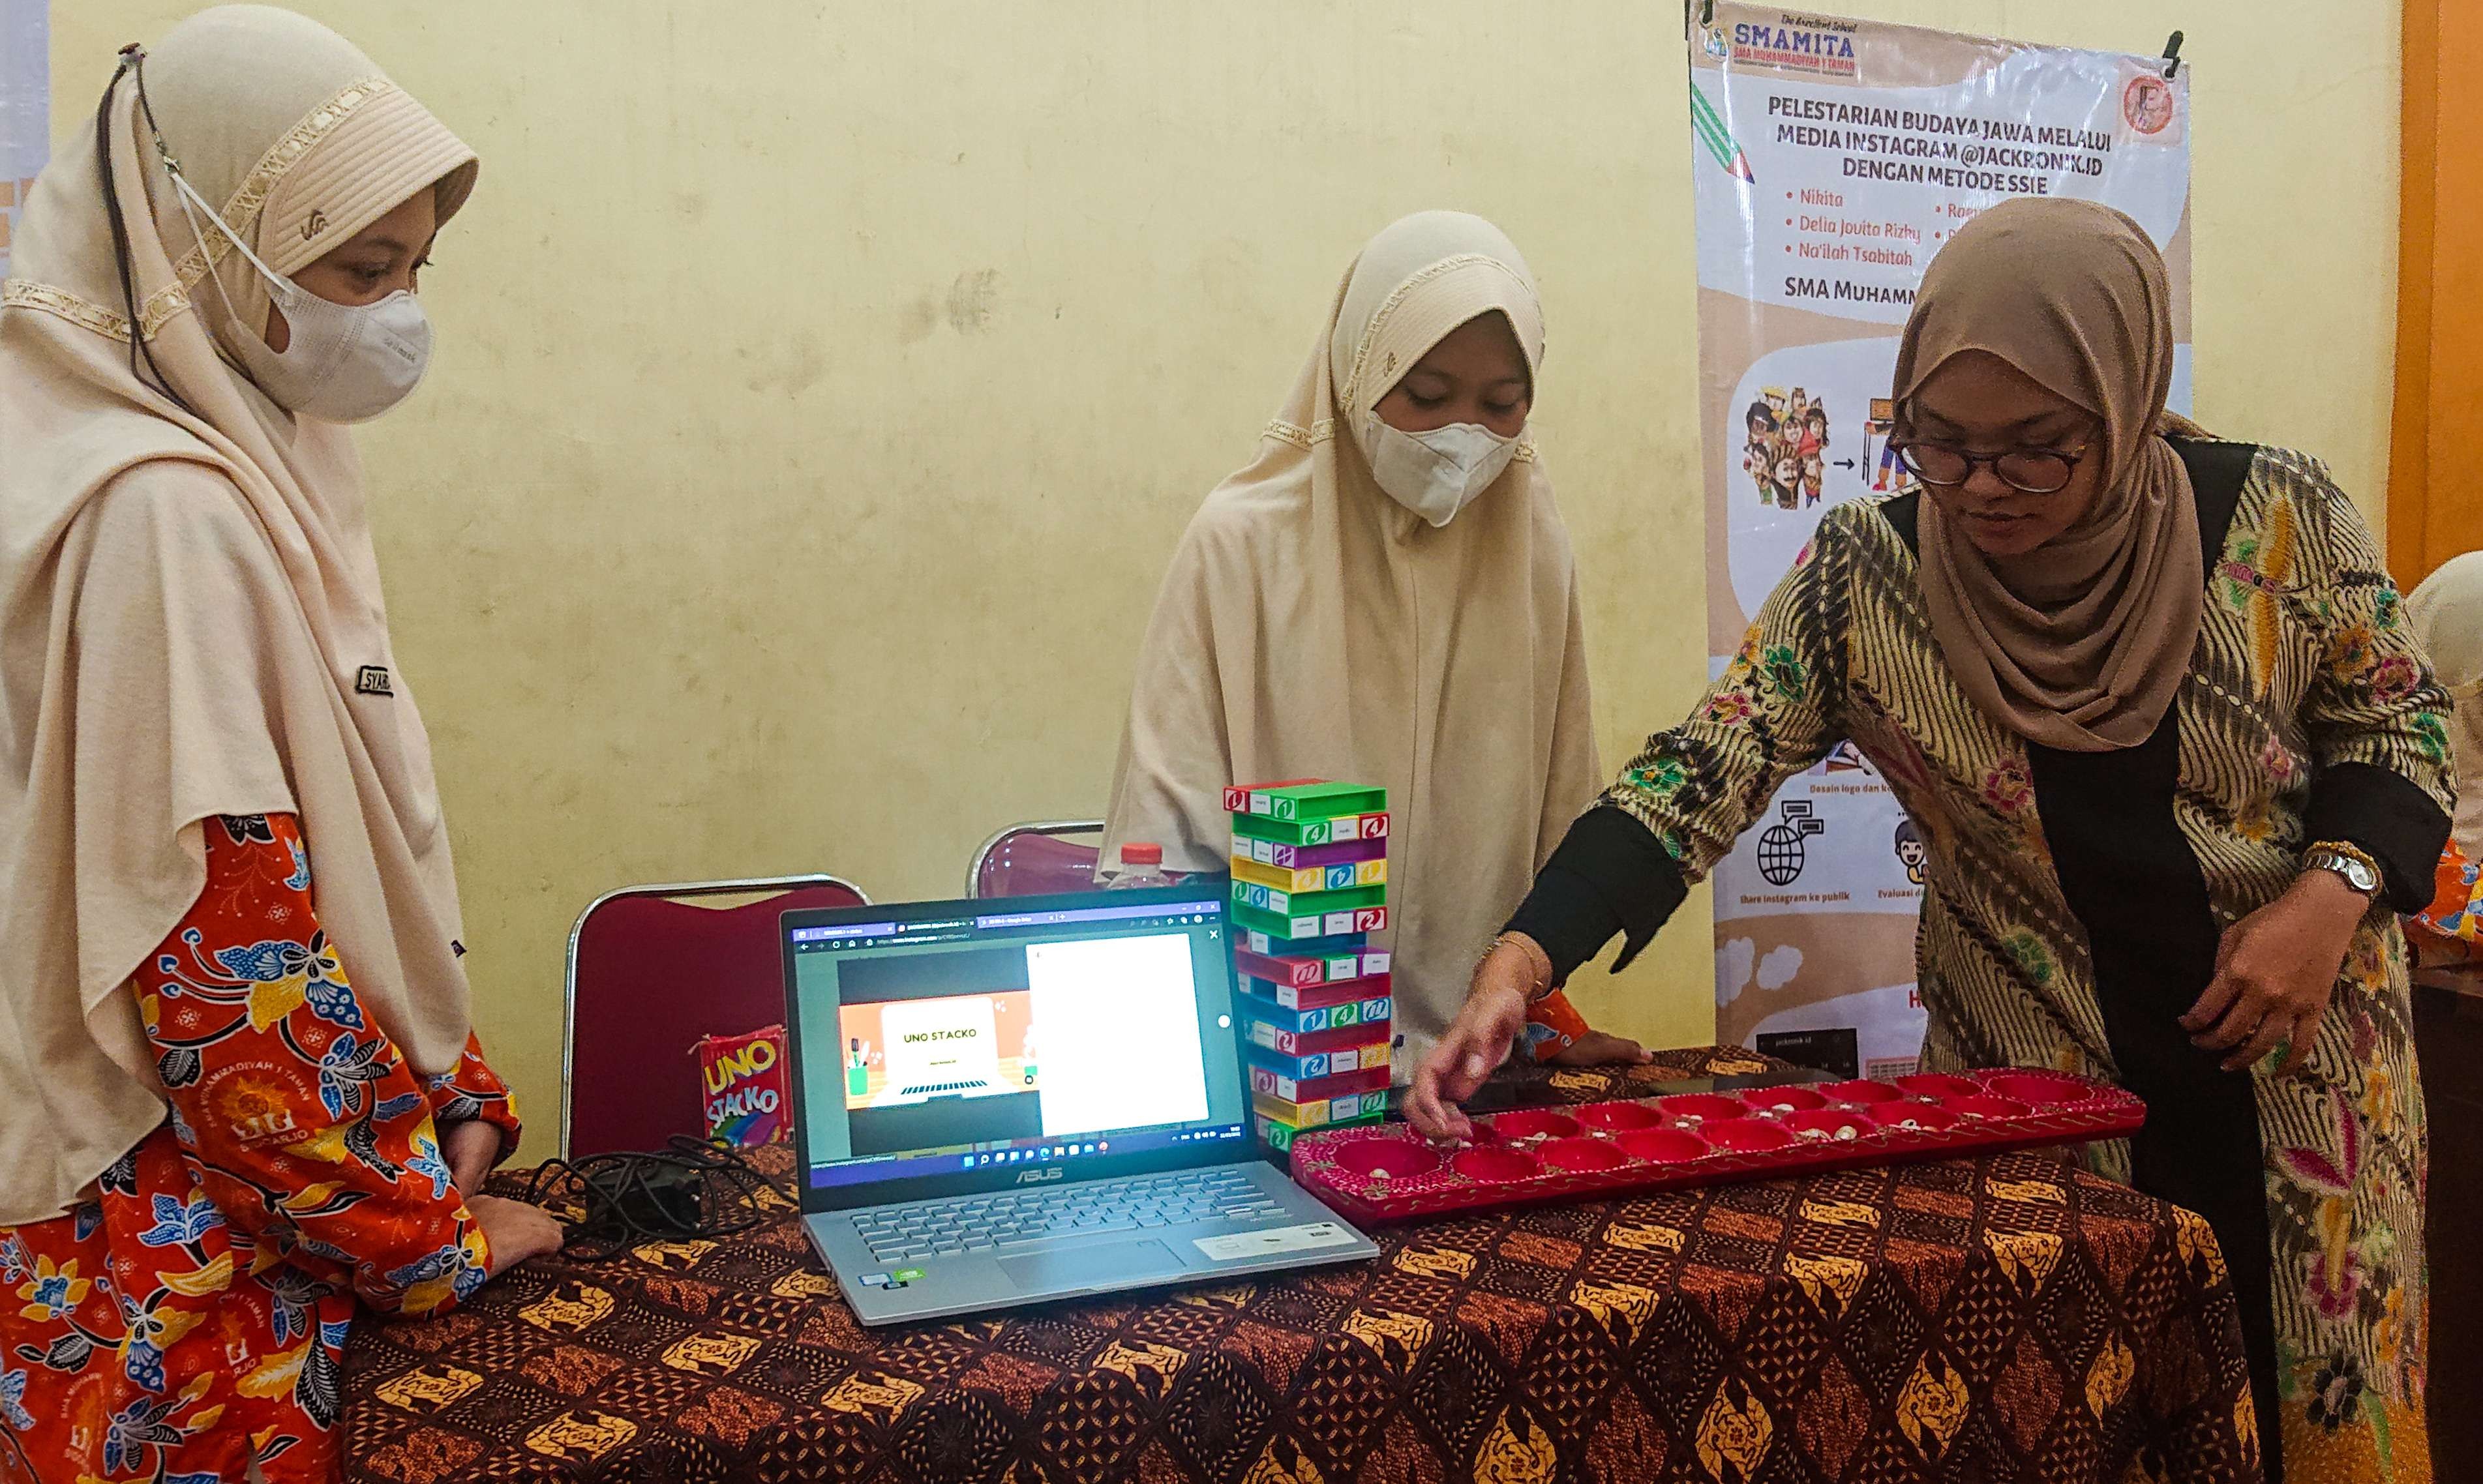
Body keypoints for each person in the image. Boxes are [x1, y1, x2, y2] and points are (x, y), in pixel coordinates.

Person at [1409, 198, 2443, 1481]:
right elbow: (1704, 765)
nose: (1979, 488)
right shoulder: (1868, 576)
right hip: (2043, 1114)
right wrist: (1523, 957)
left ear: (2117, 409)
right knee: (2066, 1423)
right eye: (1937, 445)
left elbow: (2398, 733)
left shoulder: (2275, 518)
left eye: (2033, 450)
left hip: (2304, 1101)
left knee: (2321, 1442)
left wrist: (2329, 895)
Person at [0, 8, 564, 1480]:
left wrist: (451, 1092)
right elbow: (214, 968)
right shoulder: (160, 512)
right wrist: (425, 1236)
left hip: (235, 1200)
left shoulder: (234, 450)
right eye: (360, 271)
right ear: (198, 247)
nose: (395, 319)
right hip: (170, 1261)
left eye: (413, 271)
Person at [1102, 211, 1642, 1073]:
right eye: (1427, 396)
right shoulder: (1241, 545)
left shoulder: (1531, 543)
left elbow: (1557, 823)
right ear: (1355, 371)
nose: (1462, 434)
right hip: (1264, 1067)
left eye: (1502, 405)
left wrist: (1543, 1018)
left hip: (1474, 1071)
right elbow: (1166, 843)